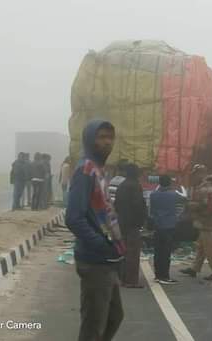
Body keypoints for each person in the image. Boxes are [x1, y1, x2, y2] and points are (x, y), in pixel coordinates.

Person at [65, 120, 125, 341]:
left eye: (110, 137)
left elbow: (101, 212)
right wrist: (100, 245)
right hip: (95, 259)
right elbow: (73, 218)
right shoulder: (85, 170)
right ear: (90, 140)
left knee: (113, 317)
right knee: (94, 325)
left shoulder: (98, 169)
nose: (107, 142)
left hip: (107, 258)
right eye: (101, 137)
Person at [180, 164, 212, 281]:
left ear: (200, 174)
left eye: (194, 174)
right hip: (207, 220)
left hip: (208, 221)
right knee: (202, 247)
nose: (193, 177)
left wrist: (190, 205)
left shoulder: (205, 187)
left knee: (210, 248)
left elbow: (206, 205)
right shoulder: (203, 186)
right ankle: (195, 268)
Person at [113, 164, 148, 288]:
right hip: (133, 224)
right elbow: (138, 206)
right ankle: (131, 281)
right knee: (132, 253)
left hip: (122, 222)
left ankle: (121, 278)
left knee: (122, 251)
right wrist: (142, 221)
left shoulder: (122, 186)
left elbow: (116, 204)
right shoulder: (135, 186)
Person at [150, 175, 184, 285]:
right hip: (169, 226)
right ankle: (165, 276)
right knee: (166, 252)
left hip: (157, 225)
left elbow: (151, 210)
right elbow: (184, 199)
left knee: (158, 251)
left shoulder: (153, 195)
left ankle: (158, 275)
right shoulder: (173, 195)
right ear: (169, 183)